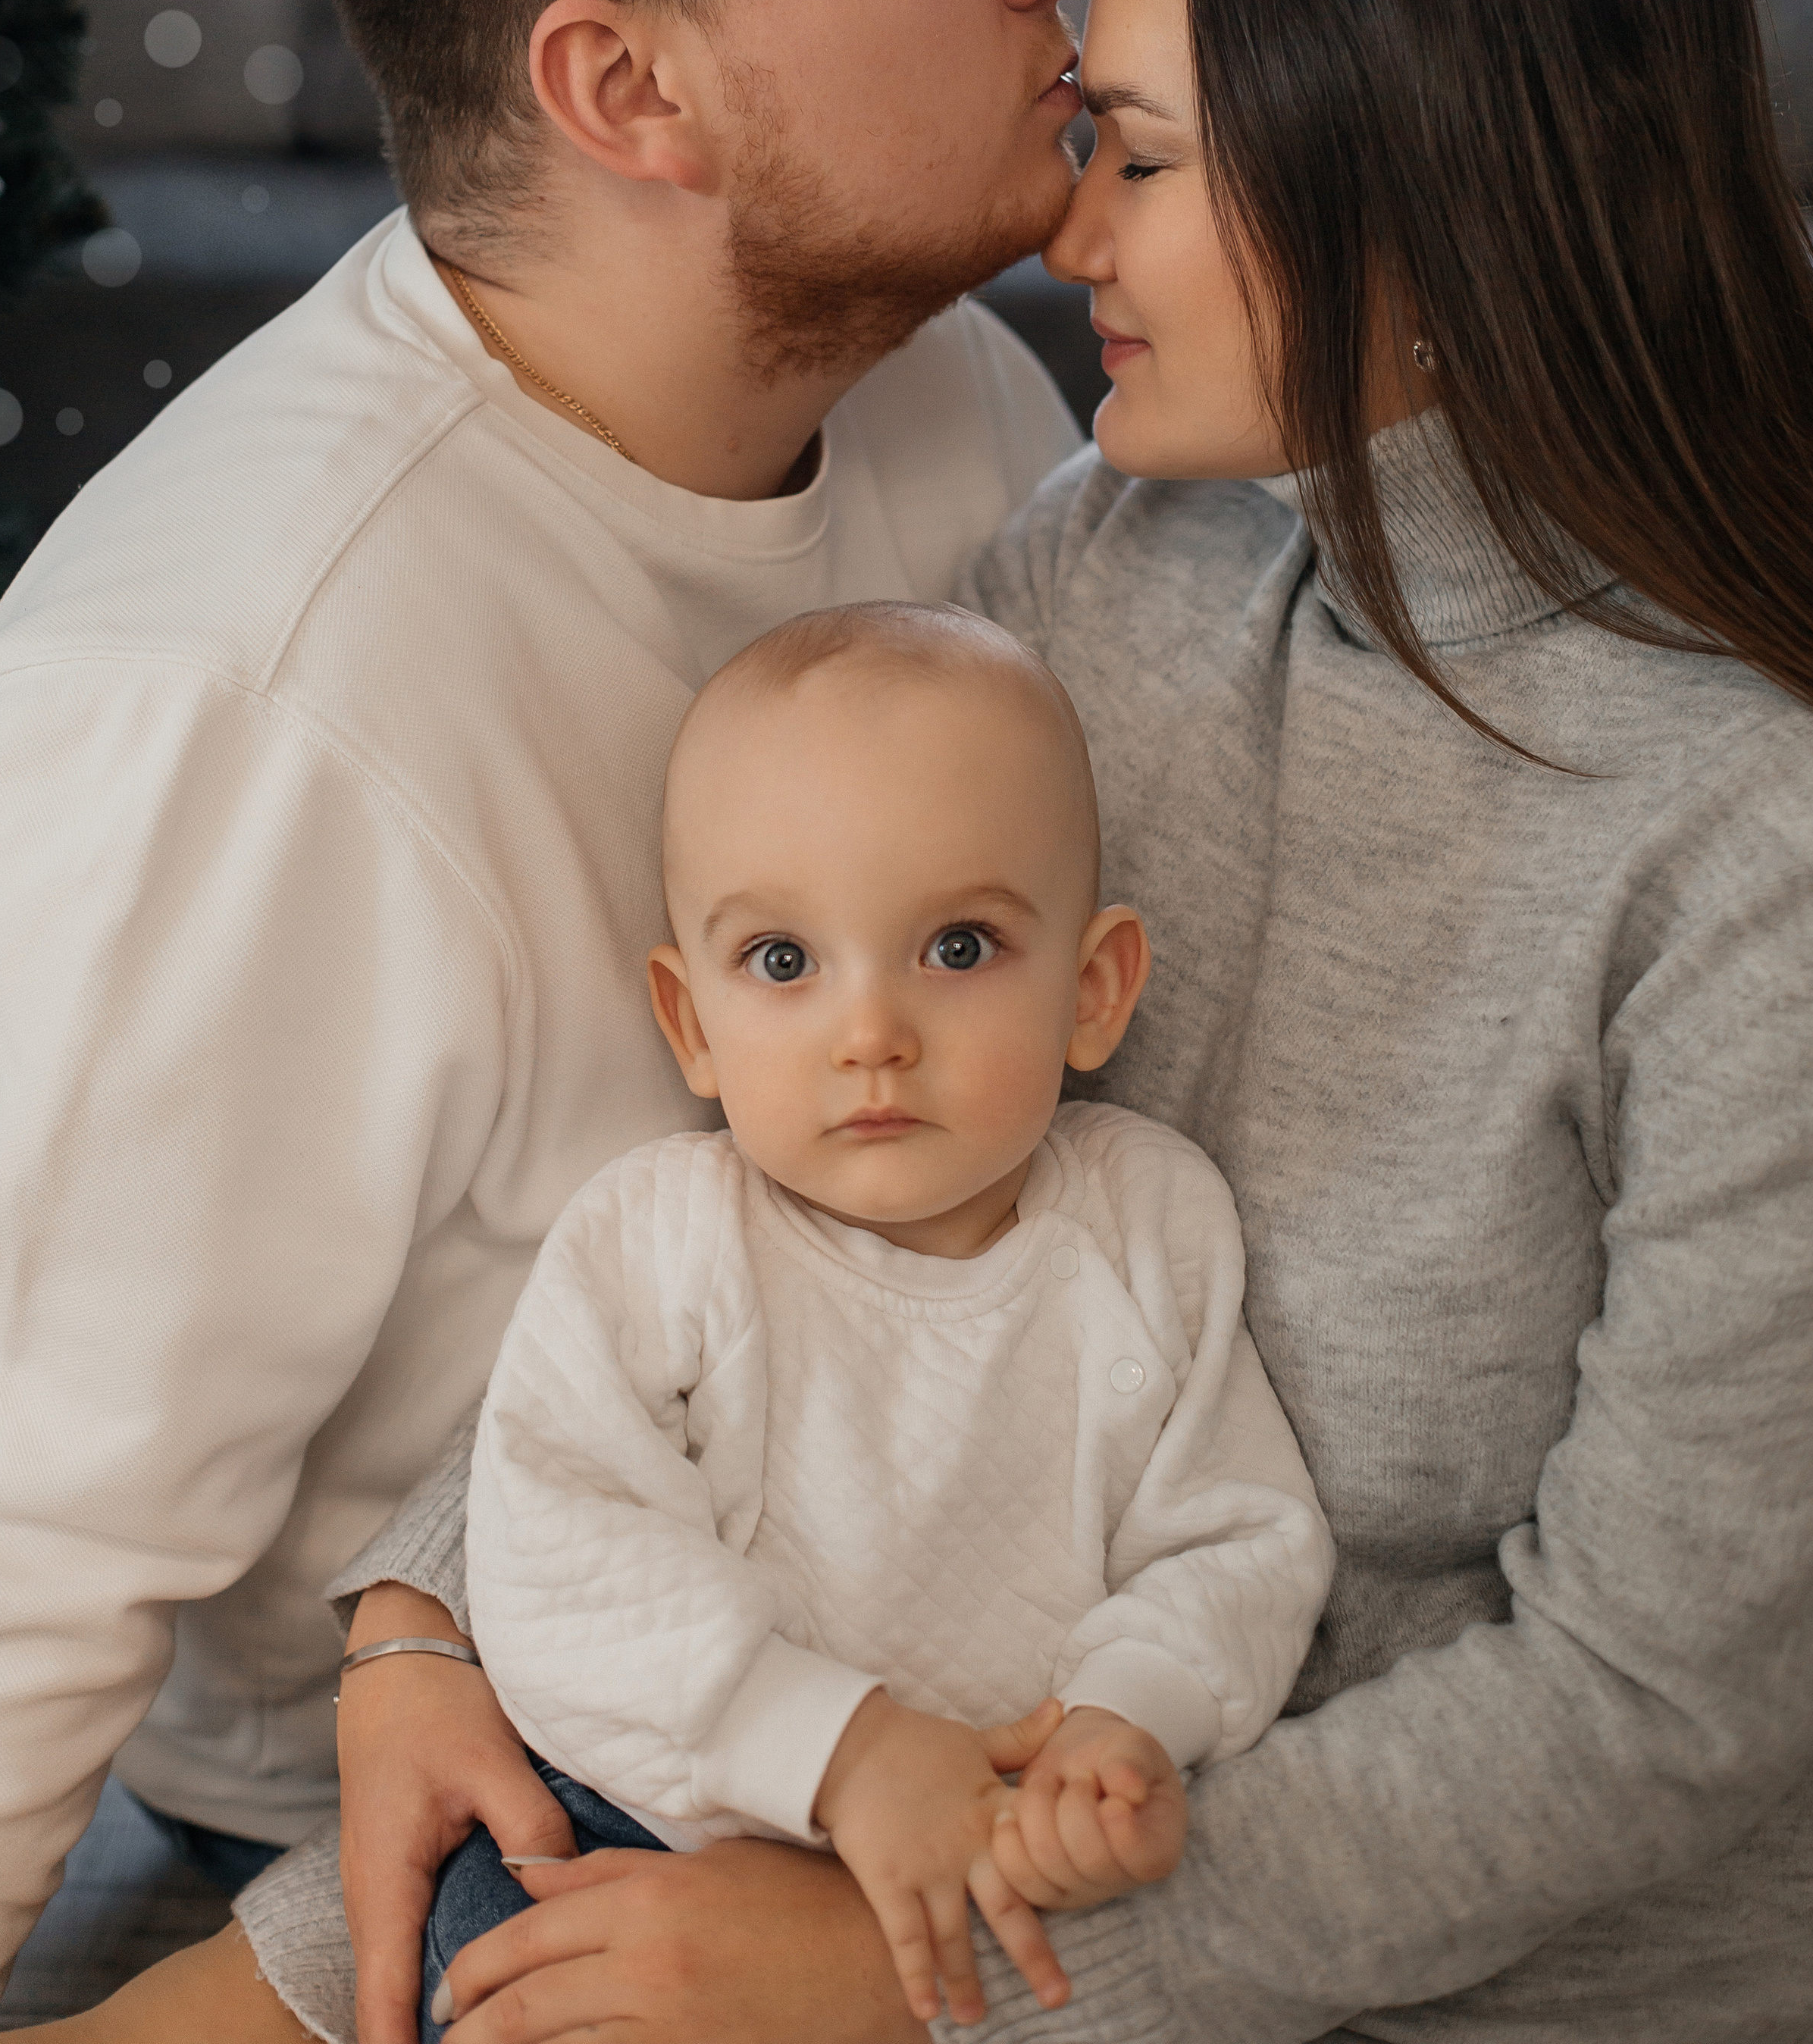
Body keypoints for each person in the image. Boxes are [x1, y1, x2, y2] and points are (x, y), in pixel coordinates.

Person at [222, 0, 1813, 2044]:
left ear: (1412, 185)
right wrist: (427, 1614)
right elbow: (803, 1159)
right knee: (335, 1953)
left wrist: (917, 1976)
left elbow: (1647, 1712)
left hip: (1441, 1955)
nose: (1065, 230)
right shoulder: (1128, 565)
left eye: (1130, 153)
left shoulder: (1792, 860)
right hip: (935, 1779)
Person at [0, 0, 1098, 2030]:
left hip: (963, 1658)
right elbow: (11, 1546)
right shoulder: (236, 699)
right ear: (630, 94)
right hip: (505, 1828)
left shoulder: (951, 403)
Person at [433, 599, 1330, 2038]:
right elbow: (560, 1559)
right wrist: (840, 1752)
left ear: (1093, 992)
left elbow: (1234, 1534)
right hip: (661, 1827)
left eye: (959, 948)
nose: (872, 1035)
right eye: (784, 963)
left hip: (1007, 1849)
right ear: (692, 1025)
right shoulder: (659, 1240)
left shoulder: (1149, 1223)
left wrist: (1130, 1718)